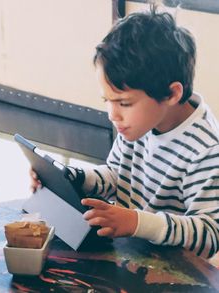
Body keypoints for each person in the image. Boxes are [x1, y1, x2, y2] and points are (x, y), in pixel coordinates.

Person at [31, 4, 219, 259]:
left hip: (173, 272)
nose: (113, 114)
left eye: (124, 103)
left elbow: (209, 234)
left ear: (172, 93)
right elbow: (117, 176)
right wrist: (71, 178)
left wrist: (137, 222)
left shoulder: (206, 149)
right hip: (130, 255)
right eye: (107, 101)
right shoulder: (139, 123)